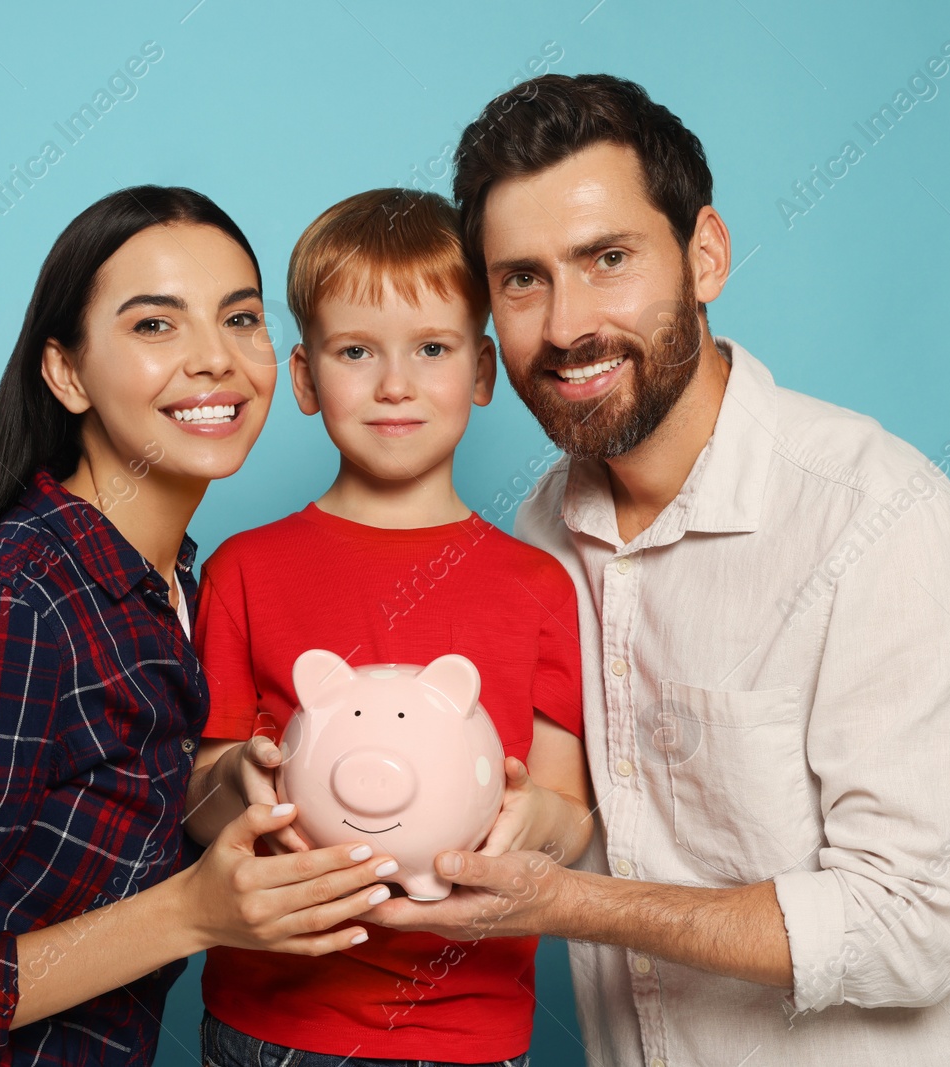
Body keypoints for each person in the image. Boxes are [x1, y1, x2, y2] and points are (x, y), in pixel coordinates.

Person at [372, 74, 950, 1066]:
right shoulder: (533, 543)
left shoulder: (876, 521)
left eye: (607, 258)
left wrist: (565, 901)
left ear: (704, 254)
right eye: (522, 278)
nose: (568, 321)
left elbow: (915, 923)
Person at [0, 186, 398, 1067]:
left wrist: (222, 791)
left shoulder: (167, 589)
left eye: (240, 317)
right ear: (65, 372)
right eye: (154, 326)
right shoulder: (18, 609)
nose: (215, 359)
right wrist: (191, 912)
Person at [182, 188, 591, 1067]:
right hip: (271, 1024)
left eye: (432, 349)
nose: (395, 384)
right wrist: (240, 784)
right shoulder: (243, 570)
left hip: (467, 1029)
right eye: (357, 350)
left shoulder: (541, 585)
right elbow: (197, 797)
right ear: (304, 376)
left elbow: (571, 814)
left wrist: (532, 823)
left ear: (482, 372)